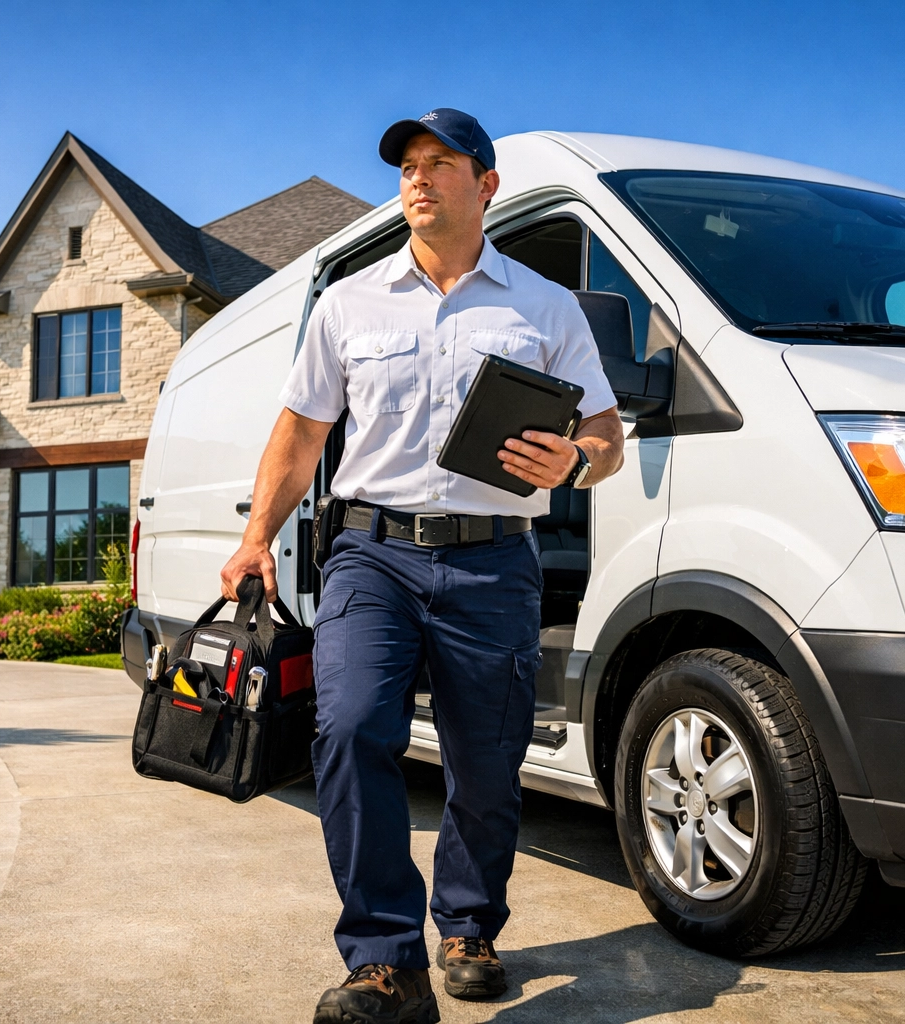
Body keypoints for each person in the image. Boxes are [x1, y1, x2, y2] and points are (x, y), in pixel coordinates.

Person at [219, 108, 624, 1024]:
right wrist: (254, 539)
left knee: (487, 764)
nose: (418, 177)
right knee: (353, 728)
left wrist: (578, 460)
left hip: (494, 565)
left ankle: (470, 926)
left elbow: (606, 434)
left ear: (485, 187)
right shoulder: (350, 302)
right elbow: (300, 432)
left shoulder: (545, 307)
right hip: (371, 554)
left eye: (441, 163)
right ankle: (383, 961)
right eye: (408, 163)